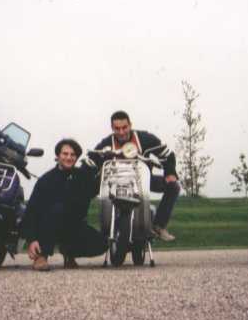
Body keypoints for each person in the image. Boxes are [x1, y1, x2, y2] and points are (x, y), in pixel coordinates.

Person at [87, 110, 180, 241]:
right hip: (114, 181)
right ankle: (88, 227)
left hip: (142, 179)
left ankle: (159, 226)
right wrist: (86, 174)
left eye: (124, 127)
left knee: (174, 186)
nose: (121, 132)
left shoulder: (145, 138)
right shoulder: (107, 143)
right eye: (117, 128)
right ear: (112, 128)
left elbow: (167, 154)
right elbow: (92, 158)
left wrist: (170, 173)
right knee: (84, 189)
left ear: (130, 125)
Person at [22, 139, 107, 271]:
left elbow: (96, 189)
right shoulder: (46, 180)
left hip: (72, 226)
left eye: (73, 155)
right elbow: (31, 212)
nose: (69, 157)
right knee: (57, 209)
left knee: (102, 244)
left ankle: (69, 253)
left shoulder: (82, 176)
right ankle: (42, 256)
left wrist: (101, 168)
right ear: (58, 156)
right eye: (65, 154)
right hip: (47, 227)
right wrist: (31, 239)